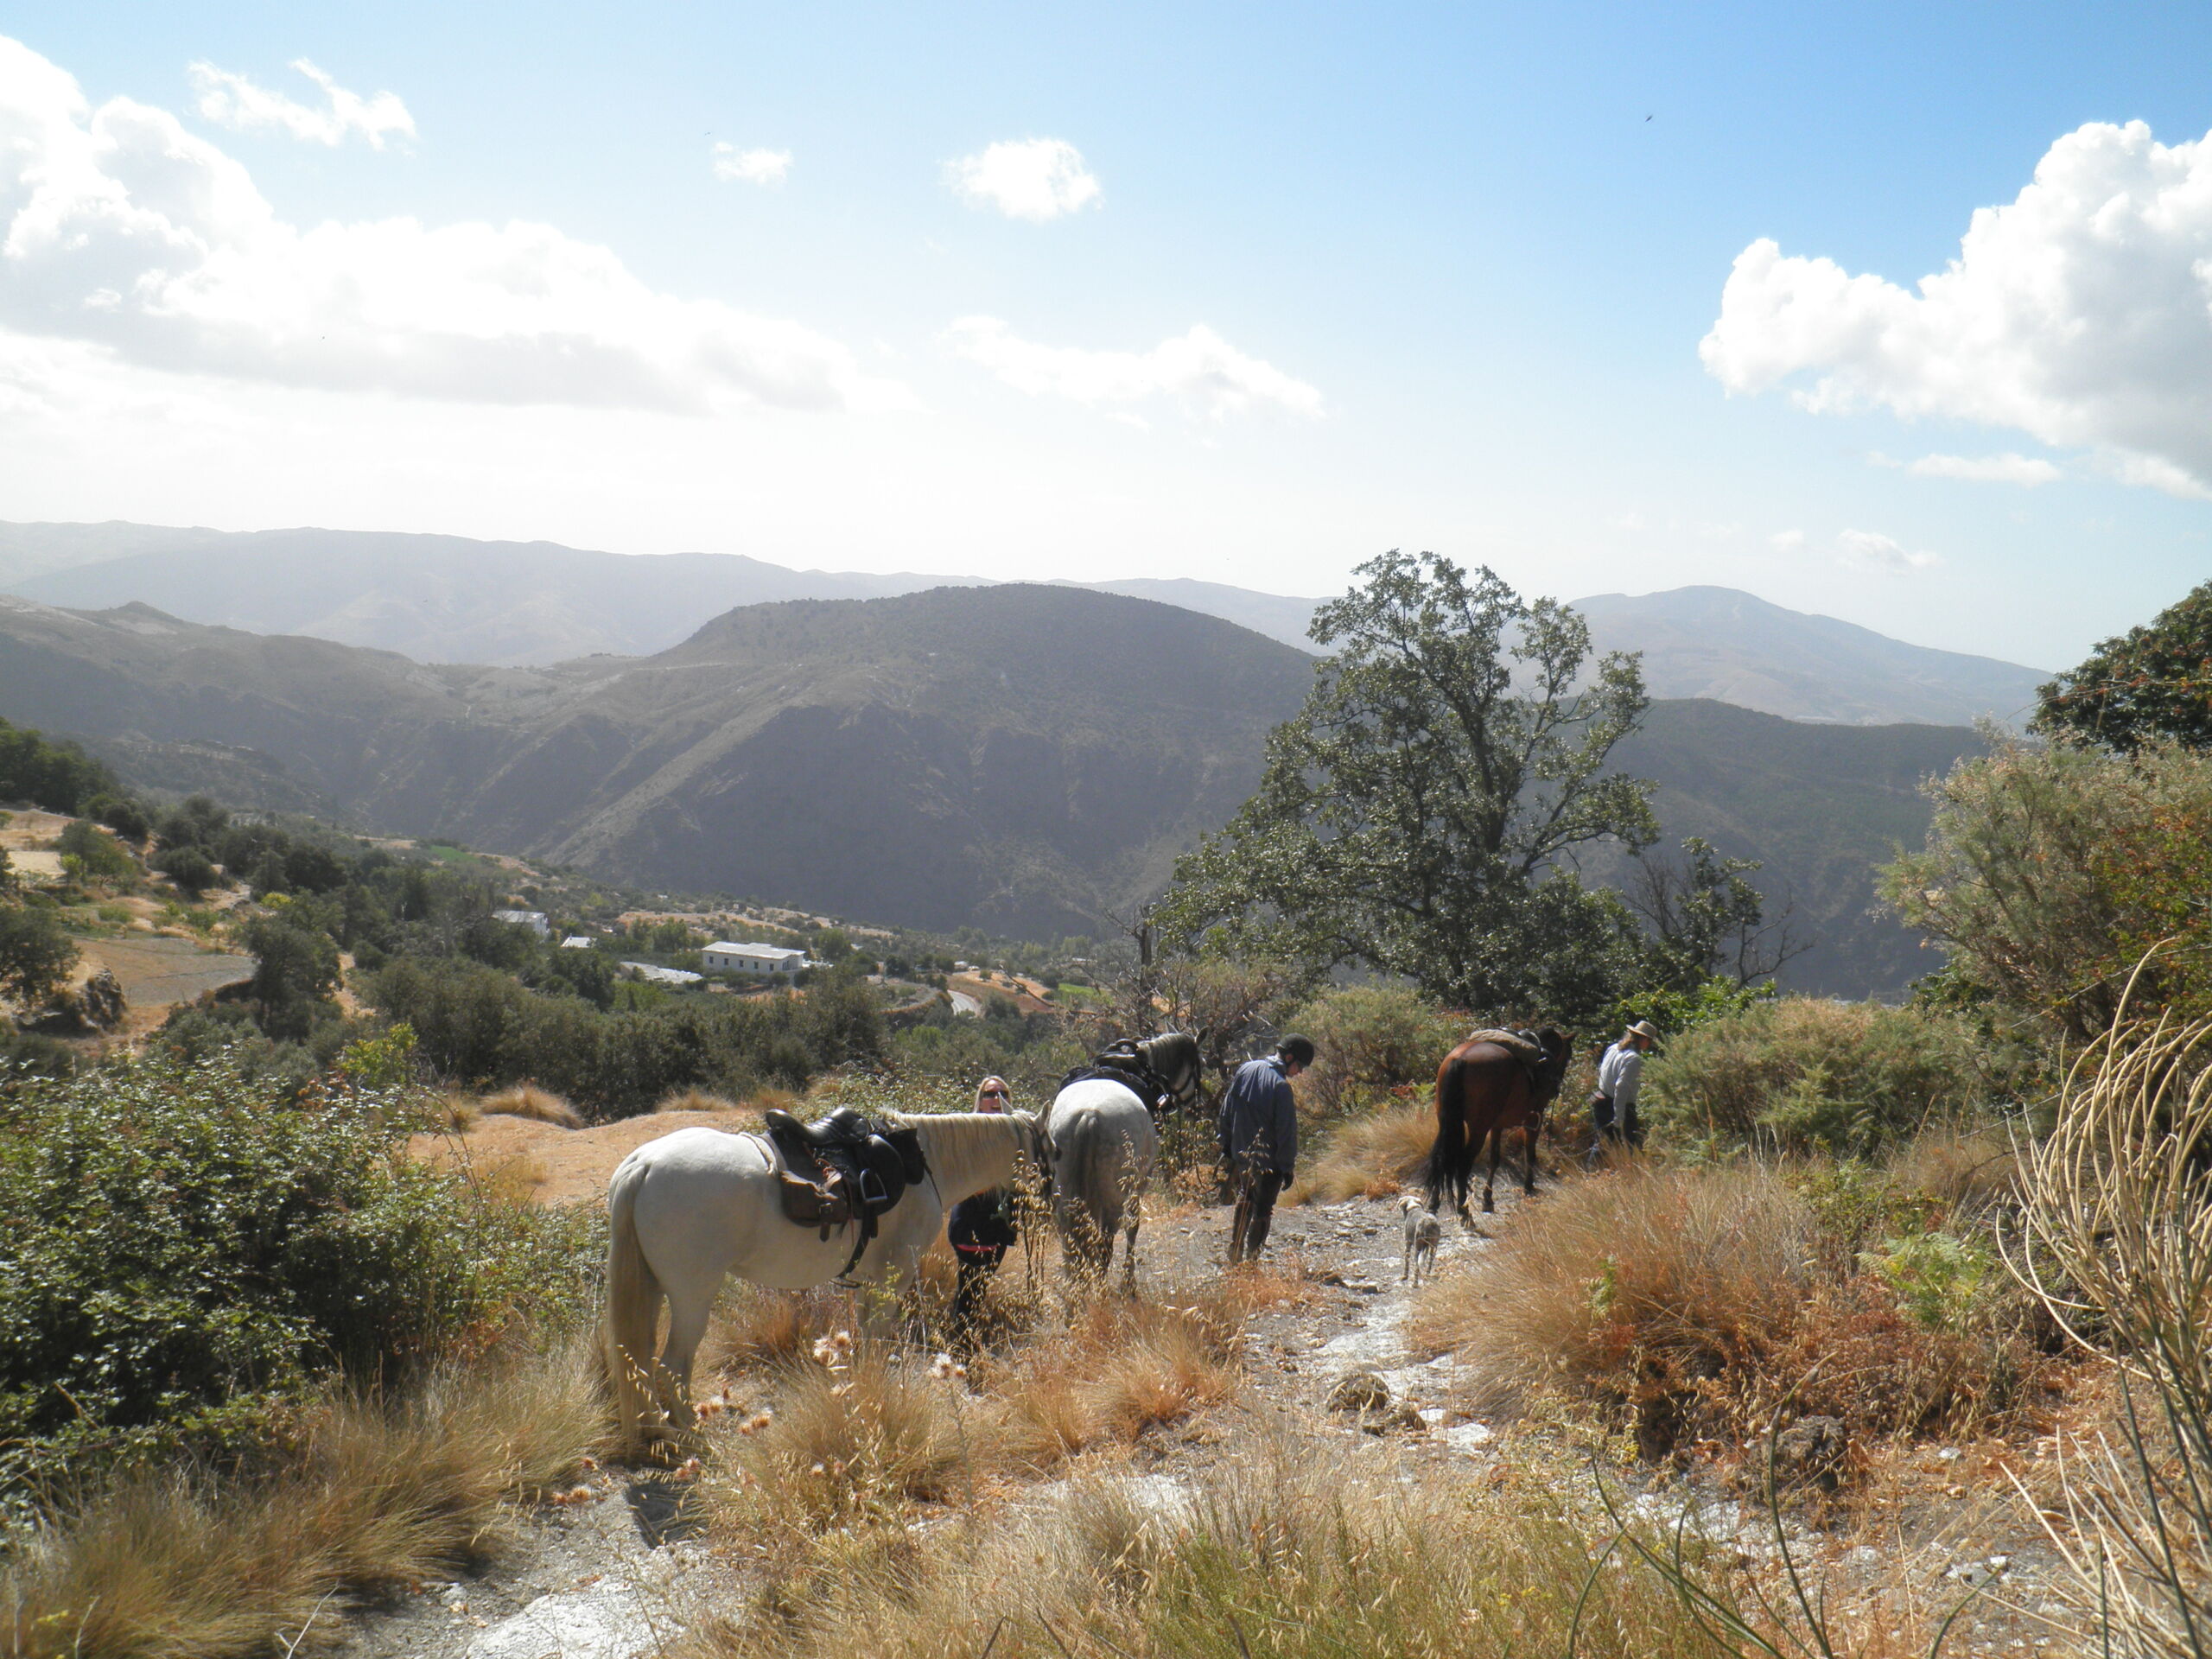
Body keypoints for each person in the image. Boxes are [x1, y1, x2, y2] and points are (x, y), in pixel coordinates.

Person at [1217, 1034, 1314, 1264]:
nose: (1299, 1072)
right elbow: (1286, 1133)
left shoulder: (1246, 1069)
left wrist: (1227, 1145)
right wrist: (1287, 1167)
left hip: (1242, 1156)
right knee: (1263, 1210)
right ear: (1289, 1057)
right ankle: (1252, 1263)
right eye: (1299, 1065)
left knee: (1245, 1199)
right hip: (1269, 1164)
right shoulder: (1281, 1087)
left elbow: (1226, 1110)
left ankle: (1234, 1253)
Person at [945, 1077, 1020, 1340]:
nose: (997, 1098)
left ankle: (960, 1339)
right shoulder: (970, 1132)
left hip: (998, 1228)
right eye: (990, 1094)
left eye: (1004, 1093)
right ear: (980, 1100)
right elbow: (966, 1183)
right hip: (972, 1226)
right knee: (970, 1292)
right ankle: (960, 1350)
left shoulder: (1011, 1132)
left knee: (976, 1288)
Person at [1589, 1020, 1660, 1160]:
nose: (1649, 1045)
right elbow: (1621, 1088)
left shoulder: (1613, 1048)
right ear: (1644, 1039)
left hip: (1600, 1099)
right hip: (1619, 1107)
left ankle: (1591, 1175)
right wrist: (1619, 1117)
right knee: (1632, 1147)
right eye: (1649, 1041)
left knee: (1602, 1145)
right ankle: (1630, 1177)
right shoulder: (1634, 1058)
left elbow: (1602, 1071)